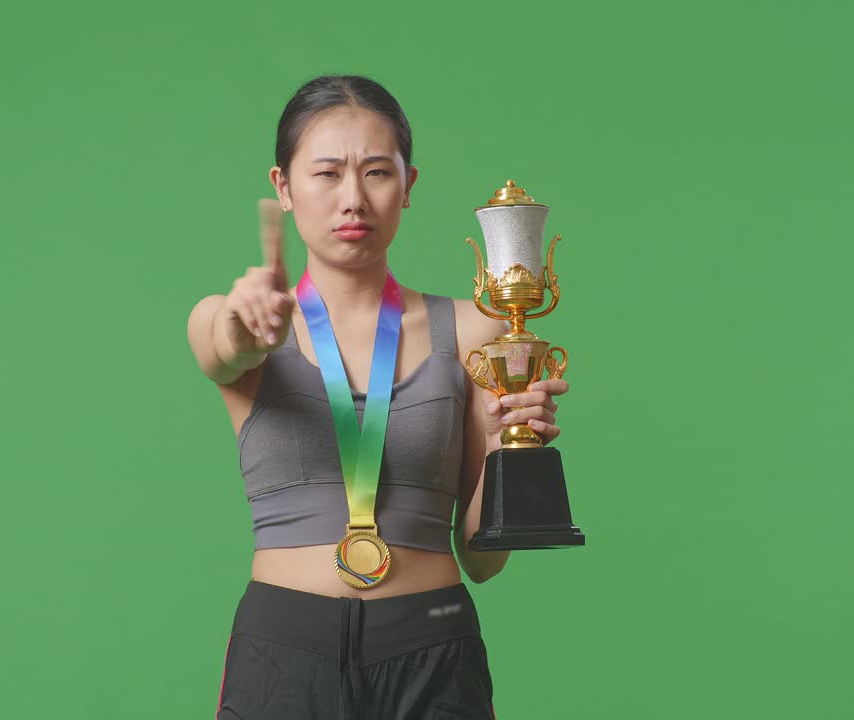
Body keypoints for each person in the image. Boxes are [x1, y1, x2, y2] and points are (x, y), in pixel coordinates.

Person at [185, 75, 570, 720]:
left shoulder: (474, 332)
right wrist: (249, 325)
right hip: (284, 652)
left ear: (408, 185)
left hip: (434, 647)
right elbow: (227, 347)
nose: (353, 199)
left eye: (376, 172)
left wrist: (509, 444)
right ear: (283, 187)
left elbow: (483, 560)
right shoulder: (230, 317)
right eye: (327, 173)